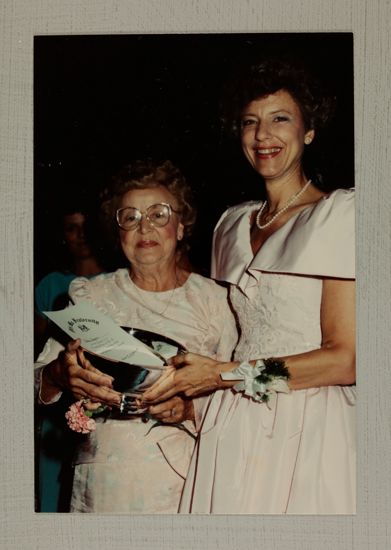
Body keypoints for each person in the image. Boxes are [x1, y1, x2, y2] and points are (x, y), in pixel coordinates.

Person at [142, 59, 356, 514]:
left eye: (280, 119)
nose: (263, 136)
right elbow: (231, 338)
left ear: (309, 131)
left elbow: (345, 359)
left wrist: (223, 374)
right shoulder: (231, 224)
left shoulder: (341, 215)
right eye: (250, 123)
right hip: (233, 420)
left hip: (310, 421)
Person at [34, 159, 237, 513]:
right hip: (103, 484)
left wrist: (192, 409)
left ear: (181, 226)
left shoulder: (217, 301)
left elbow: (238, 393)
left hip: (188, 479)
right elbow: (32, 384)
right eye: (130, 217)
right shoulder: (89, 296)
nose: (145, 228)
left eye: (159, 215)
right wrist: (56, 375)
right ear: (119, 233)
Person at [34, 199, 105, 512]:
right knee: (56, 489)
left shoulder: (117, 279)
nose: (81, 235)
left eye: (86, 228)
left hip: (102, 398)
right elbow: (32, 344)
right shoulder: (51, 284)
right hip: (60, 399)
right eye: (71, 228)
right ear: (63, 235)